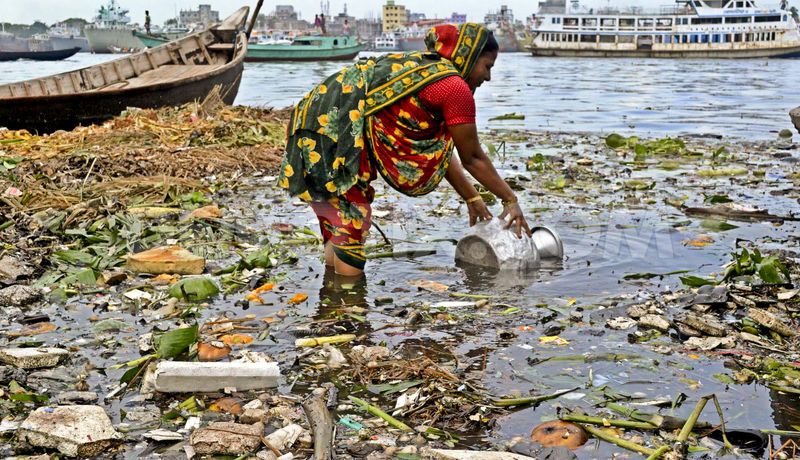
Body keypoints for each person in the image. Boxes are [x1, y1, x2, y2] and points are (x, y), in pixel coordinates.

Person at [278, 23, 531, 277]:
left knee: (338, 224)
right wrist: (510, 200)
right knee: (351, 223)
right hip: (333, 132)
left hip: (312, 123)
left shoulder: (427, 71)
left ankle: (334, 303)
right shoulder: (454, 87)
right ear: (470, 57)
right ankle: (347, 307)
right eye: (487, 67)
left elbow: (440, 154)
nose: (488, 77)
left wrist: (472, 197)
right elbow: (473, 157)